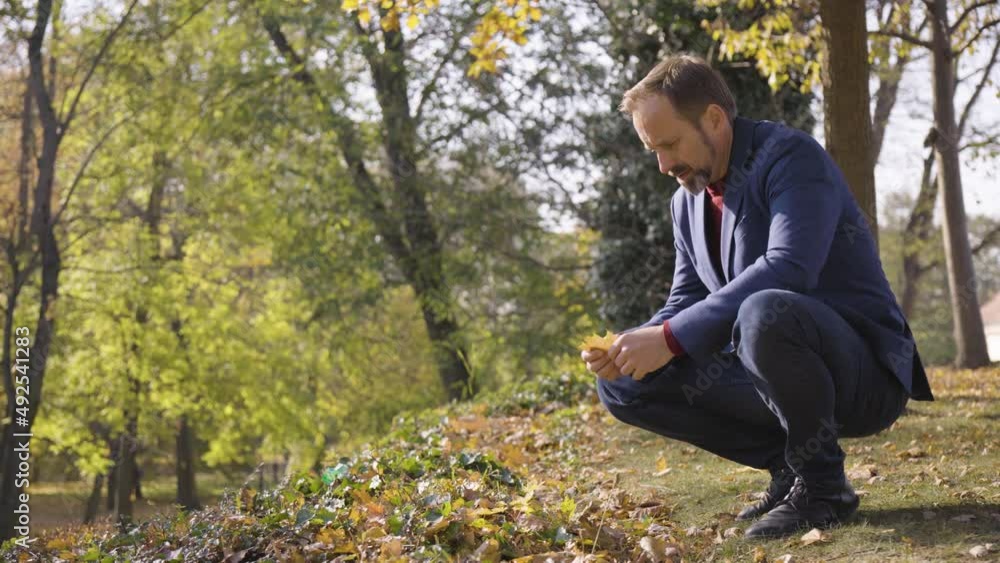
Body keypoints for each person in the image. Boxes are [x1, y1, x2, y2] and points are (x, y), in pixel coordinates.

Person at [580, 54, 933, 539]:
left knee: (765, 308)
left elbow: (790, 268)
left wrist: (670, 337)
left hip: (861, 374)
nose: (663, 165)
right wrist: (634, 343)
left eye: (669, 144)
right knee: (625, 383)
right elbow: (688, 295)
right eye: (652, 150)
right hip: (768, 367)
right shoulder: (686, 200)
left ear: (714, 119)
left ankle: (823, 486)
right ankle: (788, 467)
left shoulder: (790, 157)